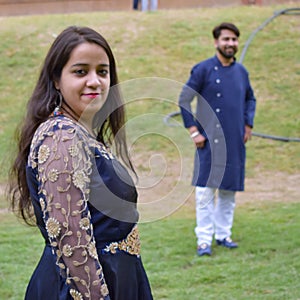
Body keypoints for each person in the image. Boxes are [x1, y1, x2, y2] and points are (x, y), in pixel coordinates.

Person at [8, 26, 153, 299]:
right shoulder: (61, 136)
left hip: (118, 279)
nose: (95, 81)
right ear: (56, 80)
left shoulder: (83, 135)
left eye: (102, 71)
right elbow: (70, 239)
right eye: (80, 71)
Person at [178, 22, 256, 256]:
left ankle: (223, 235)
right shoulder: (202, 69)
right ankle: (204, 240)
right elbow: (184, 99)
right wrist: (193, 131)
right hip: (208, 142)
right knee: (204, 192)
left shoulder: (241, 72)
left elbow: (250, 99)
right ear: (216, 42)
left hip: (234, 141)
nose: (230, 44)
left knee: (228, 191)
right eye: (226, 39)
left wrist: (248, 123)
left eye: (234, 40)